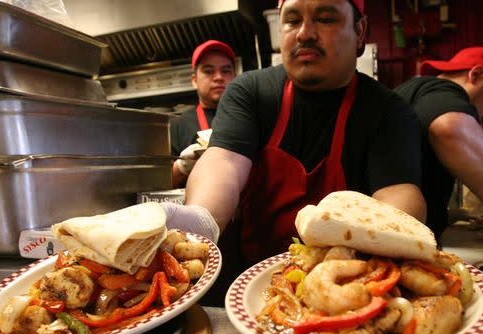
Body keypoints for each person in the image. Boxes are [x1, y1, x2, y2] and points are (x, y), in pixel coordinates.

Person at [164, 0, 426, 268]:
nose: (304, 33)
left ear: (360, 32)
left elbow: (397, 194)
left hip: (349, 275)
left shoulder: (387, 110)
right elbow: (224, 162)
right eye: (292, 20)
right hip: (251, 283)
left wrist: (373, 264)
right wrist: (201, 220)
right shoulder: (251, 92)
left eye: (325, 19)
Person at [394, 46, 483, 239]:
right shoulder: (446, 91)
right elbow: (449, 128)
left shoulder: (415, 91)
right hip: (404, 244)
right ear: (477, 75)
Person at [170, 40, 237, 188]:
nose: (218, 77)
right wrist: (181, 167)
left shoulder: (248, 118)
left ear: (235, 76)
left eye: (226, 71)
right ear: (194, 80)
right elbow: (158, 183)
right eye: (208, 71)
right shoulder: (177, 125)